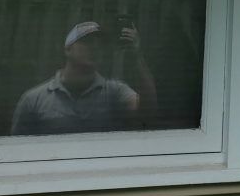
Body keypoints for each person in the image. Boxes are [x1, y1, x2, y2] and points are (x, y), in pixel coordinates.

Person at [11, 19, 157, 136]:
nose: (95, 47)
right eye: (87, 42)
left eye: (101, 44)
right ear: (68, 49)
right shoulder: (33, 99)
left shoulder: (115, 92)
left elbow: (147, 114)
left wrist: (136, 57)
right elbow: (16, 150)